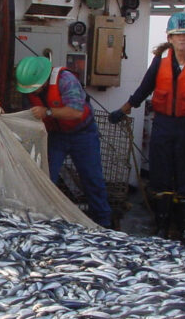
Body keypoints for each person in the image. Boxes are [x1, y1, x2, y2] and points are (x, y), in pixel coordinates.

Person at [108, 12, 185, 241]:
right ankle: (161, 227)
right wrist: (125, 108)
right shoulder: (161, 61)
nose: (182, 40)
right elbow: (145, 88)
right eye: (178, 35)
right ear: (169, 37)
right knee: (160, 176)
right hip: (163, 125)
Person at [15, 56, 112, 228]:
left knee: (92, 179)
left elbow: (75, 112)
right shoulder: (29, 90)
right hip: (55, 136)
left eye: (35, 88)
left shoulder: (66, 80)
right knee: (44, 177)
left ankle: (103, 223)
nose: (33, 92)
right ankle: (42, 221)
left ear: (43, 79)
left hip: (83, 135)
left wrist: (48, 112)